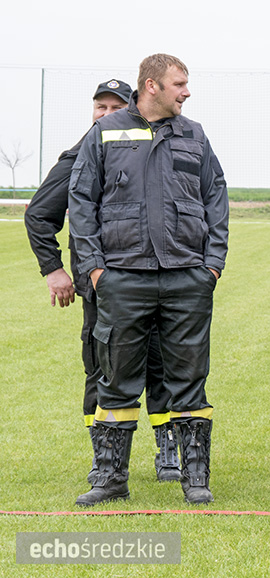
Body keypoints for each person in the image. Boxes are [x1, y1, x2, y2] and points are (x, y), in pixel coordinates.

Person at [68, 54, 229, 506]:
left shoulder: (194, 134)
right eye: (179, 83)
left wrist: (211, 263)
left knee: (189, 379)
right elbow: (81, 202)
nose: (187, 91)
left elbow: (216, 196)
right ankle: (109, 478)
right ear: (152, 85)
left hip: (186, 279)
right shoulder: (106, 131)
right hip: (122, 277)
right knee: (115, 379)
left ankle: (195, 479)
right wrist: (96, 269)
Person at [24, 79, 181, 485]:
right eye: (100, 107)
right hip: (102, 287)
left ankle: (168, 454)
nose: (107, 113)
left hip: (157, 280)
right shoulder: (78, 156)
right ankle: (104, 457)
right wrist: (54, 269)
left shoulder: (158, 151)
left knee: (161, 365)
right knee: (102, 370)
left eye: (116, 106)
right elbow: (40, 214)